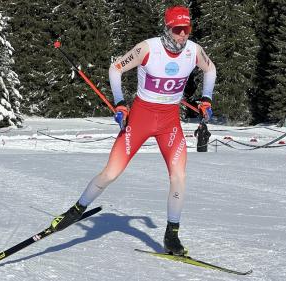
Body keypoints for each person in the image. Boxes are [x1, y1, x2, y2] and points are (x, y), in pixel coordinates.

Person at [50, 6, 216, 256]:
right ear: (168, 28)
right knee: (111, 173)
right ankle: (76, 210)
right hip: (140, 118)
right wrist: (119, 103)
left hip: (170, 121)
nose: (183, 35)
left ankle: (172, 235)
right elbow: (115, 68)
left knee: (179, 176)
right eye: (177, 29)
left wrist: (206, 99)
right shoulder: (147, 48)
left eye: (187, 29)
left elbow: (210, 69)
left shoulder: (194, 51)